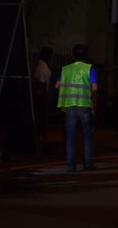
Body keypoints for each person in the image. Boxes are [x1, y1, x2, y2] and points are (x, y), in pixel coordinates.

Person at [55, 44, 98, 172]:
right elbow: (94, 88)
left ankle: (70, 166)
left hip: (70, 106)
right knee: (87, 136)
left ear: (73, 56)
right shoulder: (89, 68)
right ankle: (88, 164)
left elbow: (56, 86)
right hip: (84, 106)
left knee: (70, 137)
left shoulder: (65, 69)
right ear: (86, 56)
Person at [32, 47, 53, 156]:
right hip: (41, 98)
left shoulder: (38, 66)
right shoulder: (44, 68)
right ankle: (40, 147)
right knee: (41, 122)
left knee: (40, 123)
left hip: (38, 98)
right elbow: (41, 84)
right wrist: (44, 97)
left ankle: (41, 143)